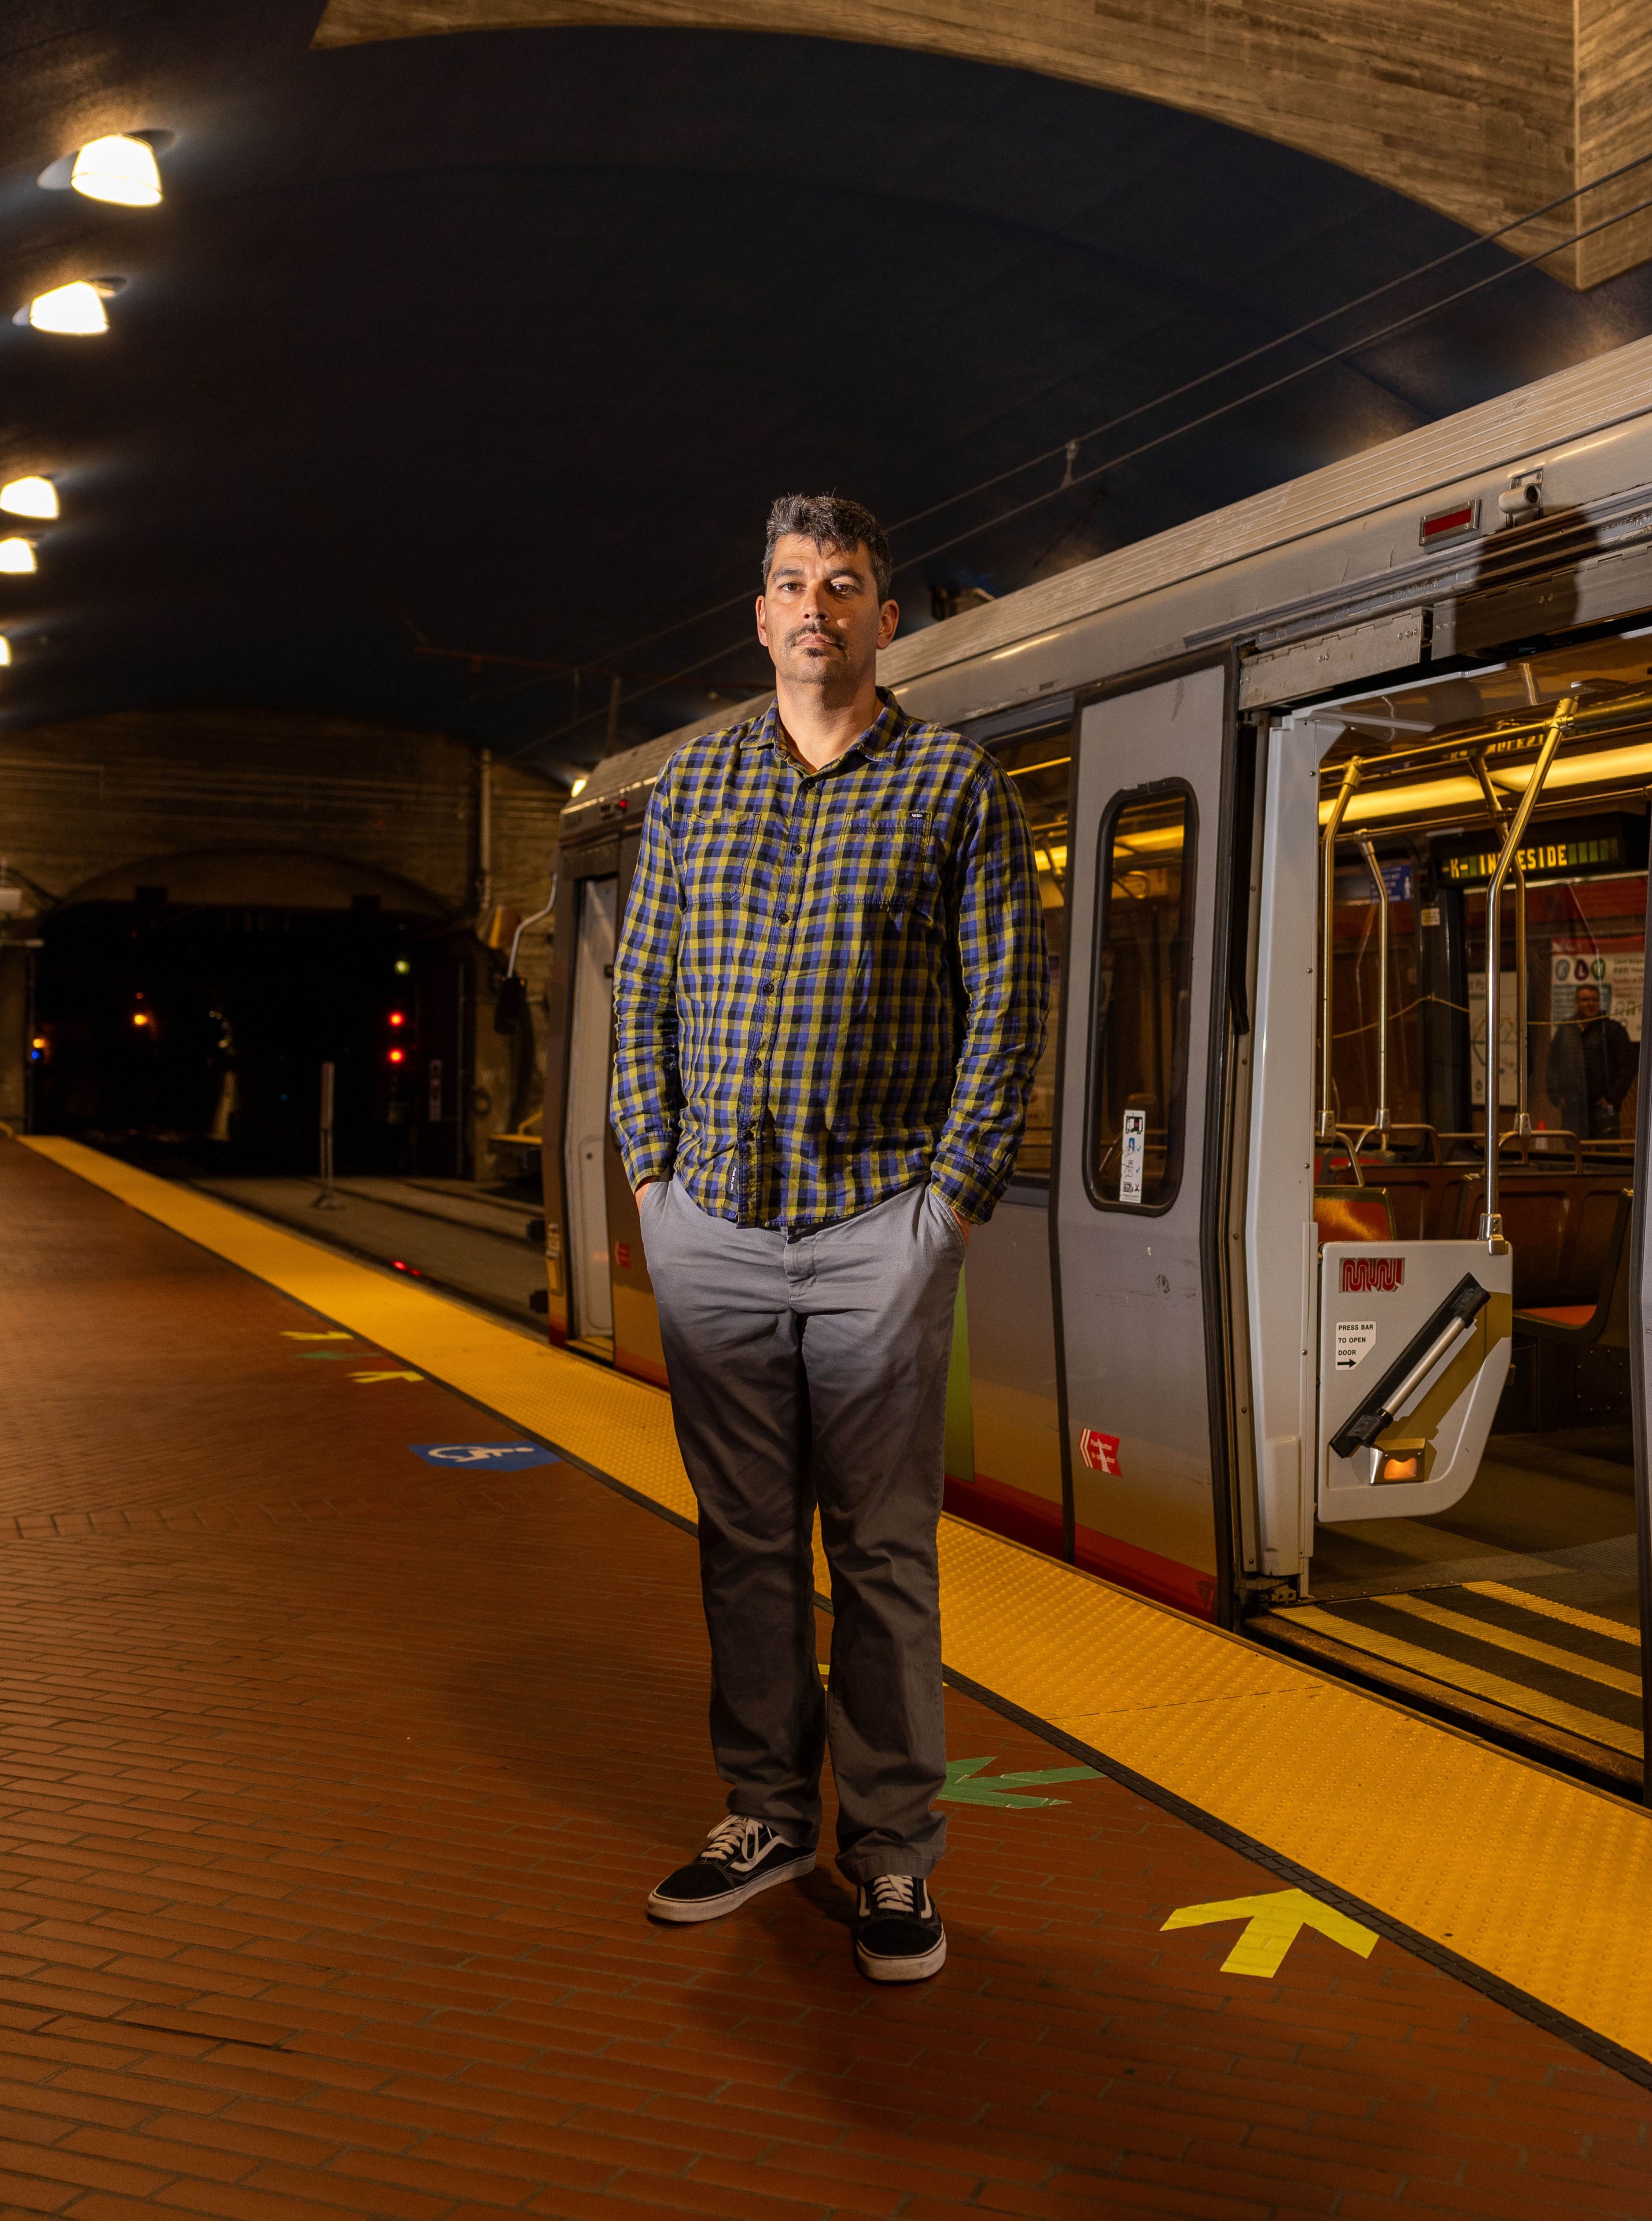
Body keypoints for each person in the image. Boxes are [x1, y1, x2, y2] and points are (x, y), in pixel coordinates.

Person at [610, 493, 1046, 1983]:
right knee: (743, 1543)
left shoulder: (953, 785)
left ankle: (896, 1854)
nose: (816, 607)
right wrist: (652, 1177)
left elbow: (1006, 1007)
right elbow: (641, 995)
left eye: (843, 585)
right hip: (712, 1225)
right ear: (760, 615)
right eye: (790, 582)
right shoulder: (694, 783)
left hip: (877, 1228)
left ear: (883, 618)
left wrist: (949, 1202)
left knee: (877, 1549)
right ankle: (762, 1813)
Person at [1545, 979, 1637, 1140]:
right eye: (1585, 1000)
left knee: (1604, 1159)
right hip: (1573, 1110)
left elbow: (1627, 1067)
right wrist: (1557, 1098)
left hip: (1604, 1109)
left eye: (1594, 1000)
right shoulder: (1566, 1030)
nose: (1590, 1004)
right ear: (1576, 1003)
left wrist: (1612, 1098)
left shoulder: (1612, 1029)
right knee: (1575, 1157)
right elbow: (1552, 1065)